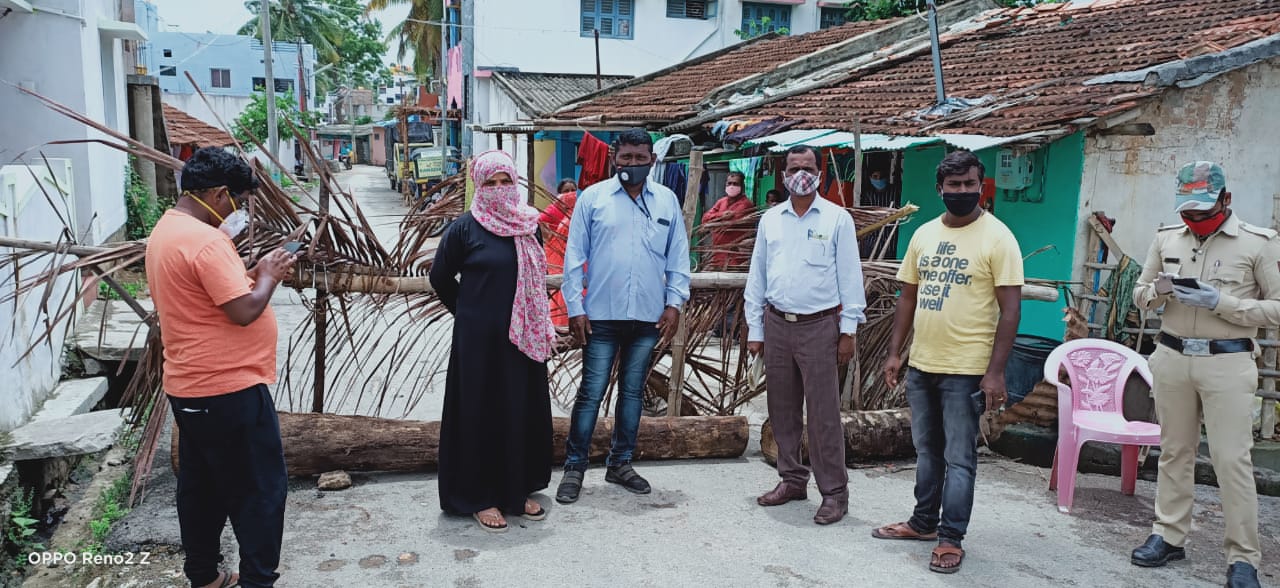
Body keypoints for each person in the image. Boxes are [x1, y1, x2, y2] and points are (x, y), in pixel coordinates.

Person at [145, 147, 296, 588]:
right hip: (228, 389)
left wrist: (249, 270)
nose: (238, 211)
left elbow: (212, 292)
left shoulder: (168, 230)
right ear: (218, 193)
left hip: (190, 389)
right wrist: (268, 273)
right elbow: (244, 310)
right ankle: (257, 580)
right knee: (260, 493)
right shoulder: (206, 240)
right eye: (238, 201)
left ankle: (204, 575)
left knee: (202, 488)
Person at [1129, 162, 1279, 588]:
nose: (1194, 220)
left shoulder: (1259, 245)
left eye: (1203, 212)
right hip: (1173, 356)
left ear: (1225, 199)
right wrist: (1158, 290)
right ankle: (1168, 535)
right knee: (1174, 452)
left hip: (1227, 361)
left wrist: (1222, 302)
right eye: (1187, 213)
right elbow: (1139, 295)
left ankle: (1243, 558)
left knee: (1232, 460)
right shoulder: (1166, 238)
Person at [873, 150, 1023, 574]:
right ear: (940, 189)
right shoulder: (923, 235)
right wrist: (895, 352)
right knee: (926, 450)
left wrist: (994, 372)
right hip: (923, 364)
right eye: (953, 185)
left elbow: (1010, 311)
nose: (962, 192)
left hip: (968, 369)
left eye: (969, 184)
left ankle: (950, 538)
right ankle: (922, 522)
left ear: (981, 186)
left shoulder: (998, 238)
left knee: (960, 457)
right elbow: (907, 297)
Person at [556, 128, 691, 504]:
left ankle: (620, 464)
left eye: (640, 157)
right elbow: (574, 258)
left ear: (652, 159)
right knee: (591, 393)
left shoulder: (666, 202)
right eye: (626, 157)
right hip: (600, 314)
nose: (633, 164)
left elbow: (678, 259)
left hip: (648, 315)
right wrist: (575, 308)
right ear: (615, 159)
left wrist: (674, 303)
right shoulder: (593, 199)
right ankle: (574, 468)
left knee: (632, 394)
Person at [429, 150, 556, 533]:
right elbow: (440, 278)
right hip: (479, 342)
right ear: (478, 186)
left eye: (506, 181)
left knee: (518, 411)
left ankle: (515, 492)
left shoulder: (528, 225)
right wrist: (470, 315)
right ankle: (478, 496)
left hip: (524, 339)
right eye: (490, 182)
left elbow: (535, 280)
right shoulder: (464, 229)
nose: (500, 189)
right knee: (479, 414)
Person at [745, 145, 866, 526]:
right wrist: (755, 328)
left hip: (820, 326)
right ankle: (792, 479)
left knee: (823, 414)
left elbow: (851, 279)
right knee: (781, 409)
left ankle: (834, 493)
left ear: (820, 174)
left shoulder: (837, 219)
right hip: (777, 323)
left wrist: (848, 331)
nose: (801, 173)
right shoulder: (770, 220)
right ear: (783, 175)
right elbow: (757, 277)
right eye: (794, 167)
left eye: (808, 167)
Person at [541, 179, 581, 327]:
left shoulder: (582, 208)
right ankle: (560, 327)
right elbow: (540, 222)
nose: (570, 194)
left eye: (573, 190)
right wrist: (552, 235)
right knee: (560, 290)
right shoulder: (555, 210)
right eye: (566, 191)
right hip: (558, 258)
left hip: (578, 259)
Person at [701, 172, 756, 270]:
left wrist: (714, 222)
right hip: (716, 257)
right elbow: (705, 219)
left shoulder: (746, 204)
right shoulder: (722, 201)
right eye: (729, 183)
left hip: (736, 259)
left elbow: (729, 224)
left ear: (742, 186)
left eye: (735, 184)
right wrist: (721, 215)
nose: (732, 186)